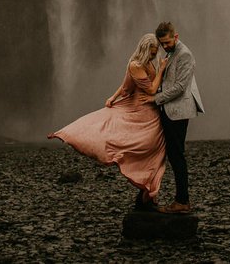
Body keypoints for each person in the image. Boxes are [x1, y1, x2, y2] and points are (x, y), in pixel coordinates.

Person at [48, 33, 169, 209]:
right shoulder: (135, 65)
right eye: (152, 53)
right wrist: (162, 69)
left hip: (152, 113)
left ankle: (147, 193)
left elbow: (127, 86)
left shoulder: (148, 63)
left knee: (156, 152)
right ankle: (145, 191)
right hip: (140, 112)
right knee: (138, 147)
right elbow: (148, 89)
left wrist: (113, 96)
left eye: (155, 52)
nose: (154, 56)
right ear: (144, 50)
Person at [146, 21, 204, 214]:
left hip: (178, 112)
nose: (165, 46)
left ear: (175, 37)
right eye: (162, 43)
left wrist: (155, 99)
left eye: (168, 42)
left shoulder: (185, 54)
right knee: (171, 154)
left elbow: (179, 87)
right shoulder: (170, 53)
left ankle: (182, 201)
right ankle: (159, 196)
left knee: (177, 155)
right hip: (169, 110)